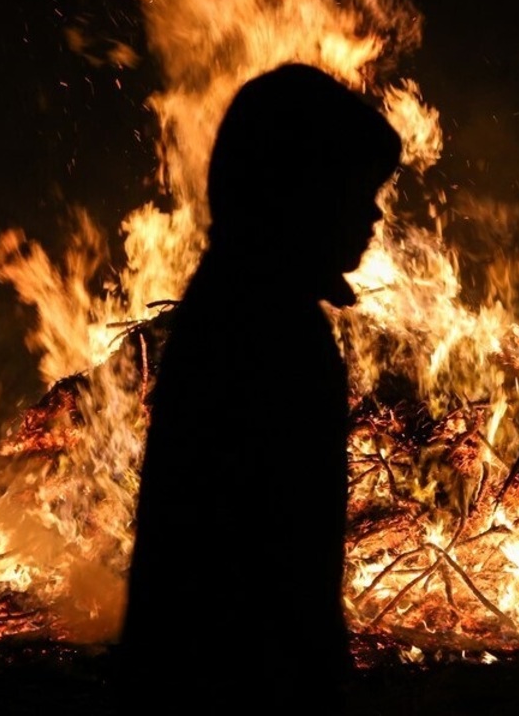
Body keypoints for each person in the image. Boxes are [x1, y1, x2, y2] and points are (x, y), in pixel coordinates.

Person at [119, 63, 402, 712]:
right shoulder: (269, 332)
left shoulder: (236, 304)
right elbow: (282, 566)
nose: (374, 211)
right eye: (357, 187)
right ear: (303, 191)